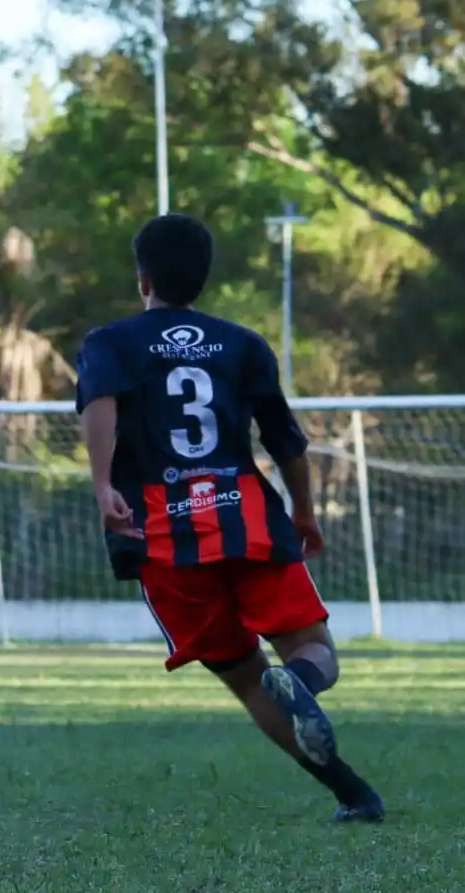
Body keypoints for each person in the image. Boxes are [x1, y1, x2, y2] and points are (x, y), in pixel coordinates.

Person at [74, 212, 383, 822]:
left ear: (143, 280)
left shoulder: (109, 342)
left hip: (160, 534)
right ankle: (302, 683)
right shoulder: (243, 343)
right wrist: (305, 512)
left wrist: (103, 483)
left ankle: (353, 792)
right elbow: (286, 439)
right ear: (204, 279)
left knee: (246, 678)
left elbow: (101, 402)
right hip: (249, 520)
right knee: (314, 652)